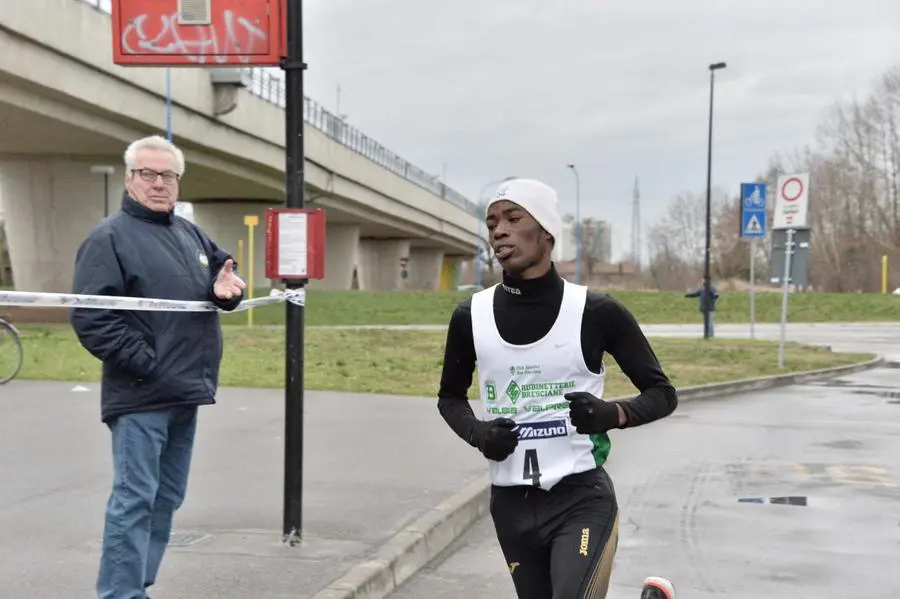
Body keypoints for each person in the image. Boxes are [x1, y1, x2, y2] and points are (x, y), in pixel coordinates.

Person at [437, 178, 679, 599]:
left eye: (514, 218)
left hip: (579, 497)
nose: (499, 230)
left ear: (546, 232)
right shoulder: (470, 316)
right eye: (492, 222)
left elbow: (662, 393)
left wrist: (612, 414)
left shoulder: (596, 311)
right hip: (511, 505)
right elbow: (450, 398)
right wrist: (480, 435)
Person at [70, 134, 247, 599]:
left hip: (185, 390)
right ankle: (121, 594)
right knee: (134, 500)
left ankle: (136, 585)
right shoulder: (108, 238)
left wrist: (227, 291)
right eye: (147, 174)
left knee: (167, 498)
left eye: (167, 175)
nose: (158, 183)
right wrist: (147, 364)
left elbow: (220, 278)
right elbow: (91, 317)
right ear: (130, 179)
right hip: (140, 395)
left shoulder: (189, 234)